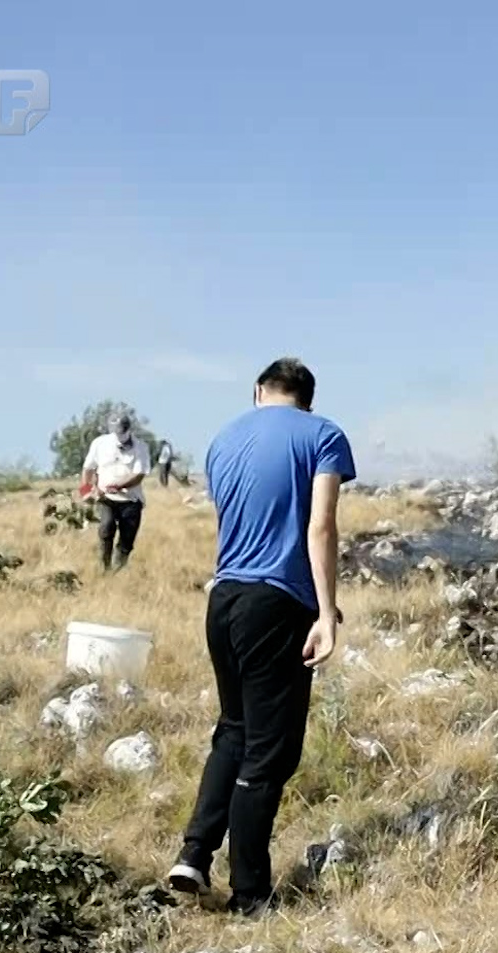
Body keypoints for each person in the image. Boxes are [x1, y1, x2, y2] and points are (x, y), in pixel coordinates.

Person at [169, 358, 355, 916]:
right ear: (308, 400)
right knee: (270, 751)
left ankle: (195, 855)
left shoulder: (224, 439)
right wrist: (325, 611)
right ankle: (250, 894)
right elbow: (319, 525)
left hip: (224, 600)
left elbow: (236, 524)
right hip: (277, 606)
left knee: (234, 730)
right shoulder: (323, 436)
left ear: (258, 392)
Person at [81, 415, 152, 571]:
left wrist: (120, 486)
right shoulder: (100, 443)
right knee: (106, 528)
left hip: (131, 499)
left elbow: (139, 475)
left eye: (121, 430)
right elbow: (88, 468)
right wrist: (86, 493)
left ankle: (119, 570)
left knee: (127, 538)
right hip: (106, 498)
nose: (118, 435)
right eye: (115, 431)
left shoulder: (140, 447)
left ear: (128, 429)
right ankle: (104, 568)